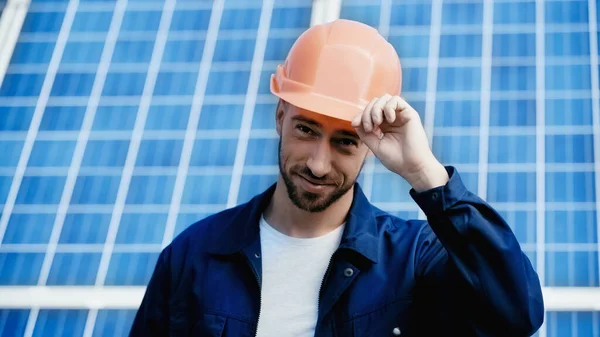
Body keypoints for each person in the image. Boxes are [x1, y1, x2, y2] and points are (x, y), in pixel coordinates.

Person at [129, 19, 544, 337]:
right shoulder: (193, 257)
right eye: (306, 130)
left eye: (345, 141)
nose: (318, 165)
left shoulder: (415, 260)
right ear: (279, 116)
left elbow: (517, 312)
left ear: (370, 145)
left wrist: (425, 174)